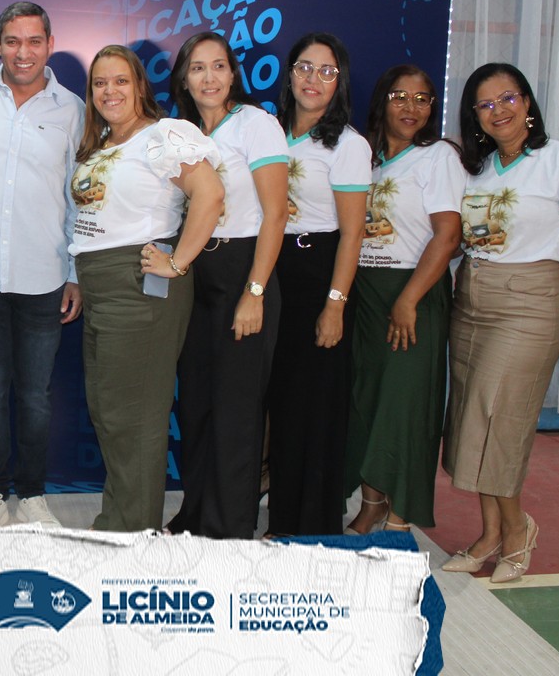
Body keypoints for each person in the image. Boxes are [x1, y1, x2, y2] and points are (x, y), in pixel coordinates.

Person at [441, 63, 559, 582]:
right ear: (474, 115)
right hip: (472, 299)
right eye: (486, 104)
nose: (499, 110)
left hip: (531, 304)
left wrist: (545, 283)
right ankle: (490, 533)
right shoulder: (478, 168)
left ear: (528, 102)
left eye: (508, 98)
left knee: (499, 417)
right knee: (472, 417)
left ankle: (517, 530)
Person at [70, 44, 224, 533]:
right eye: (100, 83)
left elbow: (211, 195)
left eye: (121, 80)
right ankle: (119, 523)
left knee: (133, 417)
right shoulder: (101, 144)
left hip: (139, 285)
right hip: (99, 285)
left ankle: (133, 539)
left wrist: (177, 262)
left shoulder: (163, 136)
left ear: (140, 85)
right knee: (109, 412)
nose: (109, 91)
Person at [0, 2, 85, 530]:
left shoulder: (73, 109)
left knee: (35, 397)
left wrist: (74, 273)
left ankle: (31, 494)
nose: (23, 52)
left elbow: (79, 196)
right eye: (12, 41)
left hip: (43, 276)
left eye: (34, 41)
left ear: (50, 43)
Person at [161, 32, 287, 539]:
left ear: (233, 74)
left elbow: (276, 214)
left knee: (236, 411)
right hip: (196, 275)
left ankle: (229, 529)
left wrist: (254, 293)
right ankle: (195, 514)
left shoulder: (256, 124)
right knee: (197, 405)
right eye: (197, 68)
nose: (208, 77)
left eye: (218, 66)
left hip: (243, 270)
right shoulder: (183, 133)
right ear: (184, 78)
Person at [343, 65, 464, 535]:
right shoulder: (366, 158)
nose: (411, 107)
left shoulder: (438, 157)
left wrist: (409, 299)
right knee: (368, 402)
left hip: (413, 293)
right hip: (367, 295)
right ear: (382, 101)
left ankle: (401, 515)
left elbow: (448, 235)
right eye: (399, 97)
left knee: (406, 407)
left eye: (422, 99)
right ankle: (372, 503)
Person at [263, 32, 371, 537]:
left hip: (317, 275)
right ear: (289, 74)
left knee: (313, 408)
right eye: (305, 67)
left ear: (339, 82)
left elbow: (353, 234)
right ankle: (280, 514)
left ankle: (308, 526)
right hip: (270, 271)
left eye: (327, 71)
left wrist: (335, 304)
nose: (313, 79)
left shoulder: (347, 145)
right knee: (279, 403)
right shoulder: (268, 132)